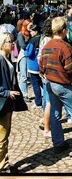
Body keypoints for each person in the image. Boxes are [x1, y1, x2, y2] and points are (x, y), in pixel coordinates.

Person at [39, 17, 72, 154]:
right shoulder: (65, 46)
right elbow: (70, 67)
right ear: (64, 30)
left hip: (49, 84)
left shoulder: (46, 46)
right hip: (63, 84)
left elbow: (41, 67)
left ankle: (58, 143)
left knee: (55, 114)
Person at [0, 32, 28, 173]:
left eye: (12, 41)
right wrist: (6, 93)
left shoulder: (7, 58)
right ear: (2, 43)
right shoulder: (0, 59)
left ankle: (4, 163)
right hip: (2, 102)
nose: (12, 44)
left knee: (5, 134)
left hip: (8, 103)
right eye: (9, 41)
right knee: (2, 136)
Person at [24, 25, 42, 108]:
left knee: (35, 85)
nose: (30, 33)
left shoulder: (33, 40)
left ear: (36, 31)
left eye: (32, 31)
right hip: (40, 64)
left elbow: (29, 53)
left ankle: (38, 102)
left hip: (33, 65)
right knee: (42, 84)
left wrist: (25, 52)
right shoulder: (42, 38)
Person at [16, 19, 32, 102]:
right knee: (23, 76)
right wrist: (31, 45)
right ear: (26, 26)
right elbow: (22, 45)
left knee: (29, 76)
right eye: (30, 26)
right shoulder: (20, 34)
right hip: (23, 56)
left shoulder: (30, 34)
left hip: (30, 55)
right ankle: (24, 94)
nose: (31, 27)